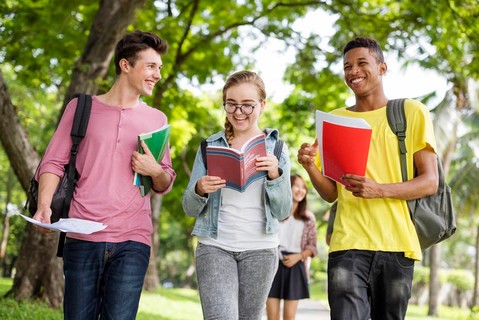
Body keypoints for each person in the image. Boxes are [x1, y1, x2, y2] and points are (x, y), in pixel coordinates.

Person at [32, 30, 176, 320]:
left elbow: (165, 182)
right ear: (125, 65)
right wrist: (44, 206)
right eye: (151, 66)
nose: (157, 74)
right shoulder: (82, 108)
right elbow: (53, 163)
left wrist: (156, 170)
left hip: (133, 239)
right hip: (82, 234)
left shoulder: (156, 119)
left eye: (159, 68)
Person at [297, 36, 439, 320]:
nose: (353, 71)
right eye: (347, 66)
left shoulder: (411, 113)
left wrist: (379, 190)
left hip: (396, 245)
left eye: (362, 63)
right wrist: (310, 166)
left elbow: (429, 181)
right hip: (347, 244)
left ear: (382, 68)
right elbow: (331, 193)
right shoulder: (334, 120)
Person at [182, 70, 292, 319]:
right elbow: (189, 207)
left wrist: (275, 175)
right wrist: (200, 189)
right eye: (231, 105)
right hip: (215, 246)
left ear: (262, 105)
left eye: (247, 105)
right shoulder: (209, 147)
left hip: (261, 249)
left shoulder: (276, 148)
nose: (238, 113)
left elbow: (284, 211)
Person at [266, 173, 318, 320]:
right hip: (273, 264)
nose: (301, 190)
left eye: (304, 188)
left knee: (289, 317)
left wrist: (299, 256)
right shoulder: (275, 212)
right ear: (288, 187)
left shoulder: (308, 218)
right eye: (297, 186)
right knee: (272, 317)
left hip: (295, 267)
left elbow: (312, 247)